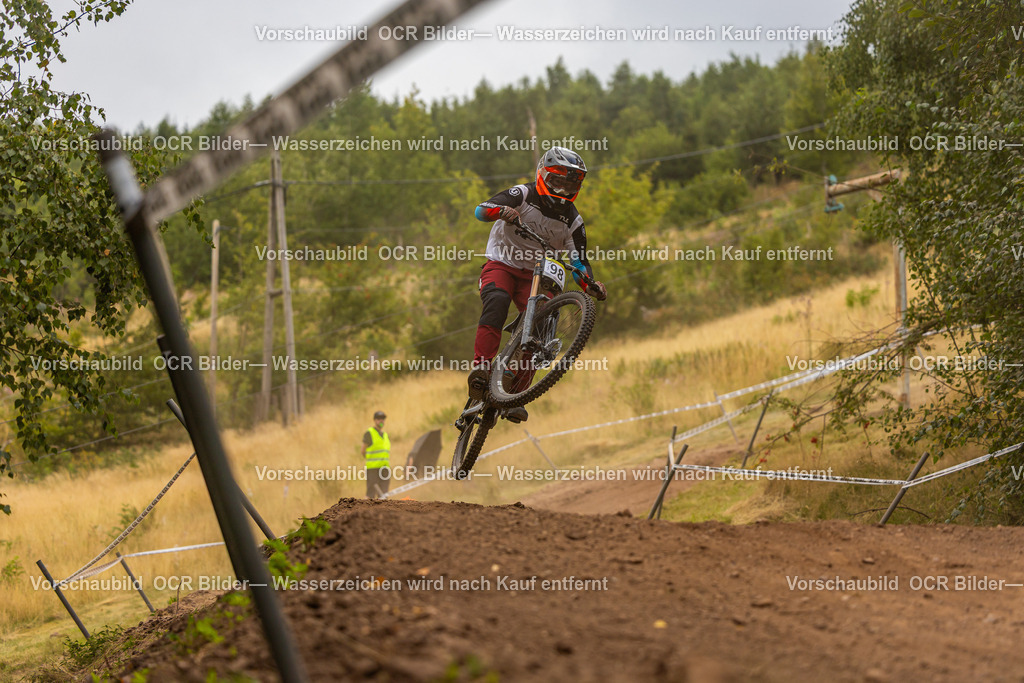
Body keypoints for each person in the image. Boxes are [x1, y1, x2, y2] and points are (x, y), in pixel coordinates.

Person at [467, 146, 607, 423]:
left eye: (570, 185)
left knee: (543, 328)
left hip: (538, 274)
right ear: (543, 175)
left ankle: (515, 391)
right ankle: (481, 369)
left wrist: (590, 284)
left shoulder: (574, 222)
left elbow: (579, 263)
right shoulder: (523, 194)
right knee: (496, 301)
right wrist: (502, 211)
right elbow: (480, 211)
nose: (563, 191)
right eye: (557, 182)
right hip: (502, 263)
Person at [362, 410, 390, 498]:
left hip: (385, 468)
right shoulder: (369, 433)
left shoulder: (385, 435)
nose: (381, 421)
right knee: (371, 494)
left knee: (384, 495)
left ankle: (383, 511)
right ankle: (365, 511)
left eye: (383, 419)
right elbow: (363, 450)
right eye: (379, 419)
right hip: (373, 469)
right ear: (375, 420)